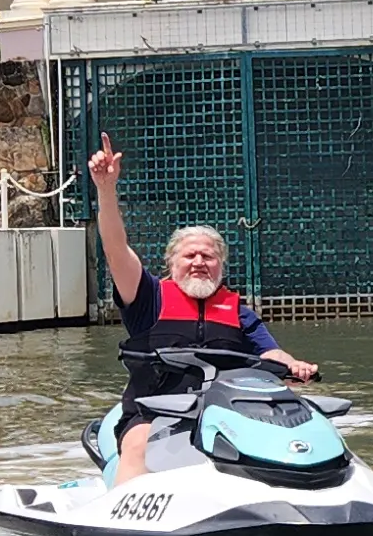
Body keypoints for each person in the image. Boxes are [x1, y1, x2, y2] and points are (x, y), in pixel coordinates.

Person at [88, 138, 316, 483]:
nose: (199, 262)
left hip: (228, 413)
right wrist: (106, 188)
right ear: (172, 264)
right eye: (189, 256)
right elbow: (116, 248)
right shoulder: (148, 296)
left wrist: (294, 365)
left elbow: (270, 351)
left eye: (208, 256)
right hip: (154, 412)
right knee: (137, 444)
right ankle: (126, 512)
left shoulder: (237, 310)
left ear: (220, 265)